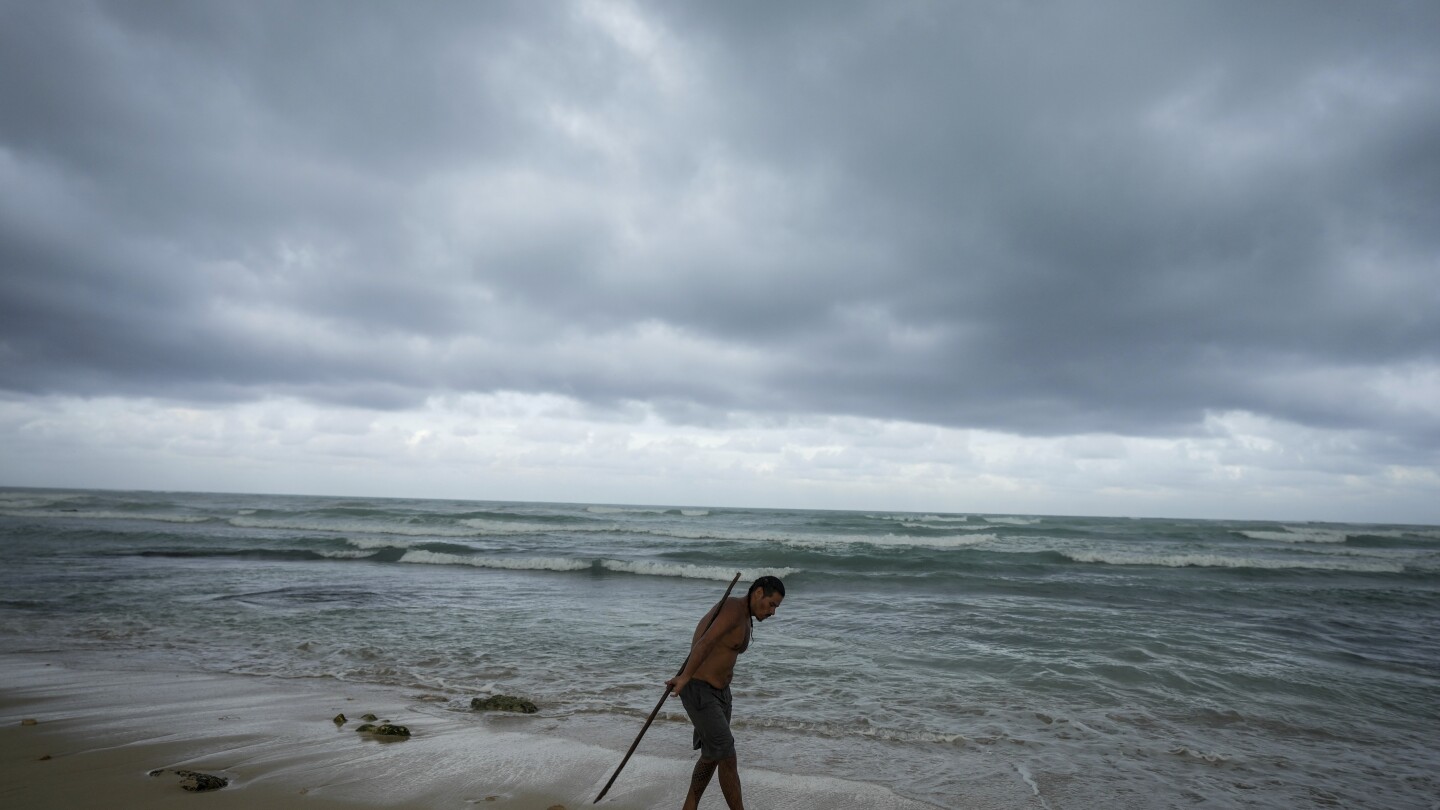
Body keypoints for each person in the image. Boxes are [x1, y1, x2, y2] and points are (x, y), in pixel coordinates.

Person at [665, 575, 786, 810]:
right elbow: (706, 642)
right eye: (772, 604)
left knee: (712, 757)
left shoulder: (745, 615)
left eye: (776, 608)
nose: (773, 612)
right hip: (700, 690)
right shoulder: (732, 608)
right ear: (759, 593)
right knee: (727, 755)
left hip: (721, 694)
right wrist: (686, 676)